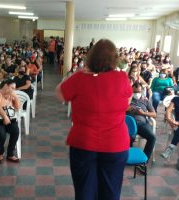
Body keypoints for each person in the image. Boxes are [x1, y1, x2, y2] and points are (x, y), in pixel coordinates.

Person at [56, 39, 132, 200]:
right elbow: (128, 99)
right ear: (114, 59)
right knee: (110, 192)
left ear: (90, 58)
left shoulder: (79, 79)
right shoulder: (122, 78)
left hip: (84, 143)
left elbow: (59, 93)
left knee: (84, 191)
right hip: (115, 144)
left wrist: (80, 73)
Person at [0, 79, 21, 163]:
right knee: (1, 133)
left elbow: (18, 107)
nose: (14, 90)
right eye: (12, 88)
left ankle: (10, 154)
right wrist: (5, 116)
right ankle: (0, 154)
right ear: (6, 86)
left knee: (15, 131)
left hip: (9, 119)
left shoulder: (10, 95)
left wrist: (15, 97)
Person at [127, 82, 156, 167]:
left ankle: (144, 161)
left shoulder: (145, 100)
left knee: (152, 137)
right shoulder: (127, 99)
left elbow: (154, 114)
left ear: (141, 91)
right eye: (134, 92)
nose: (137, 94)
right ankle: (127, 157)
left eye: (138, 92)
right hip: (129, 125)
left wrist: (143, 113)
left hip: (141, 124)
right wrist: (128, 108)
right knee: (127, 138)